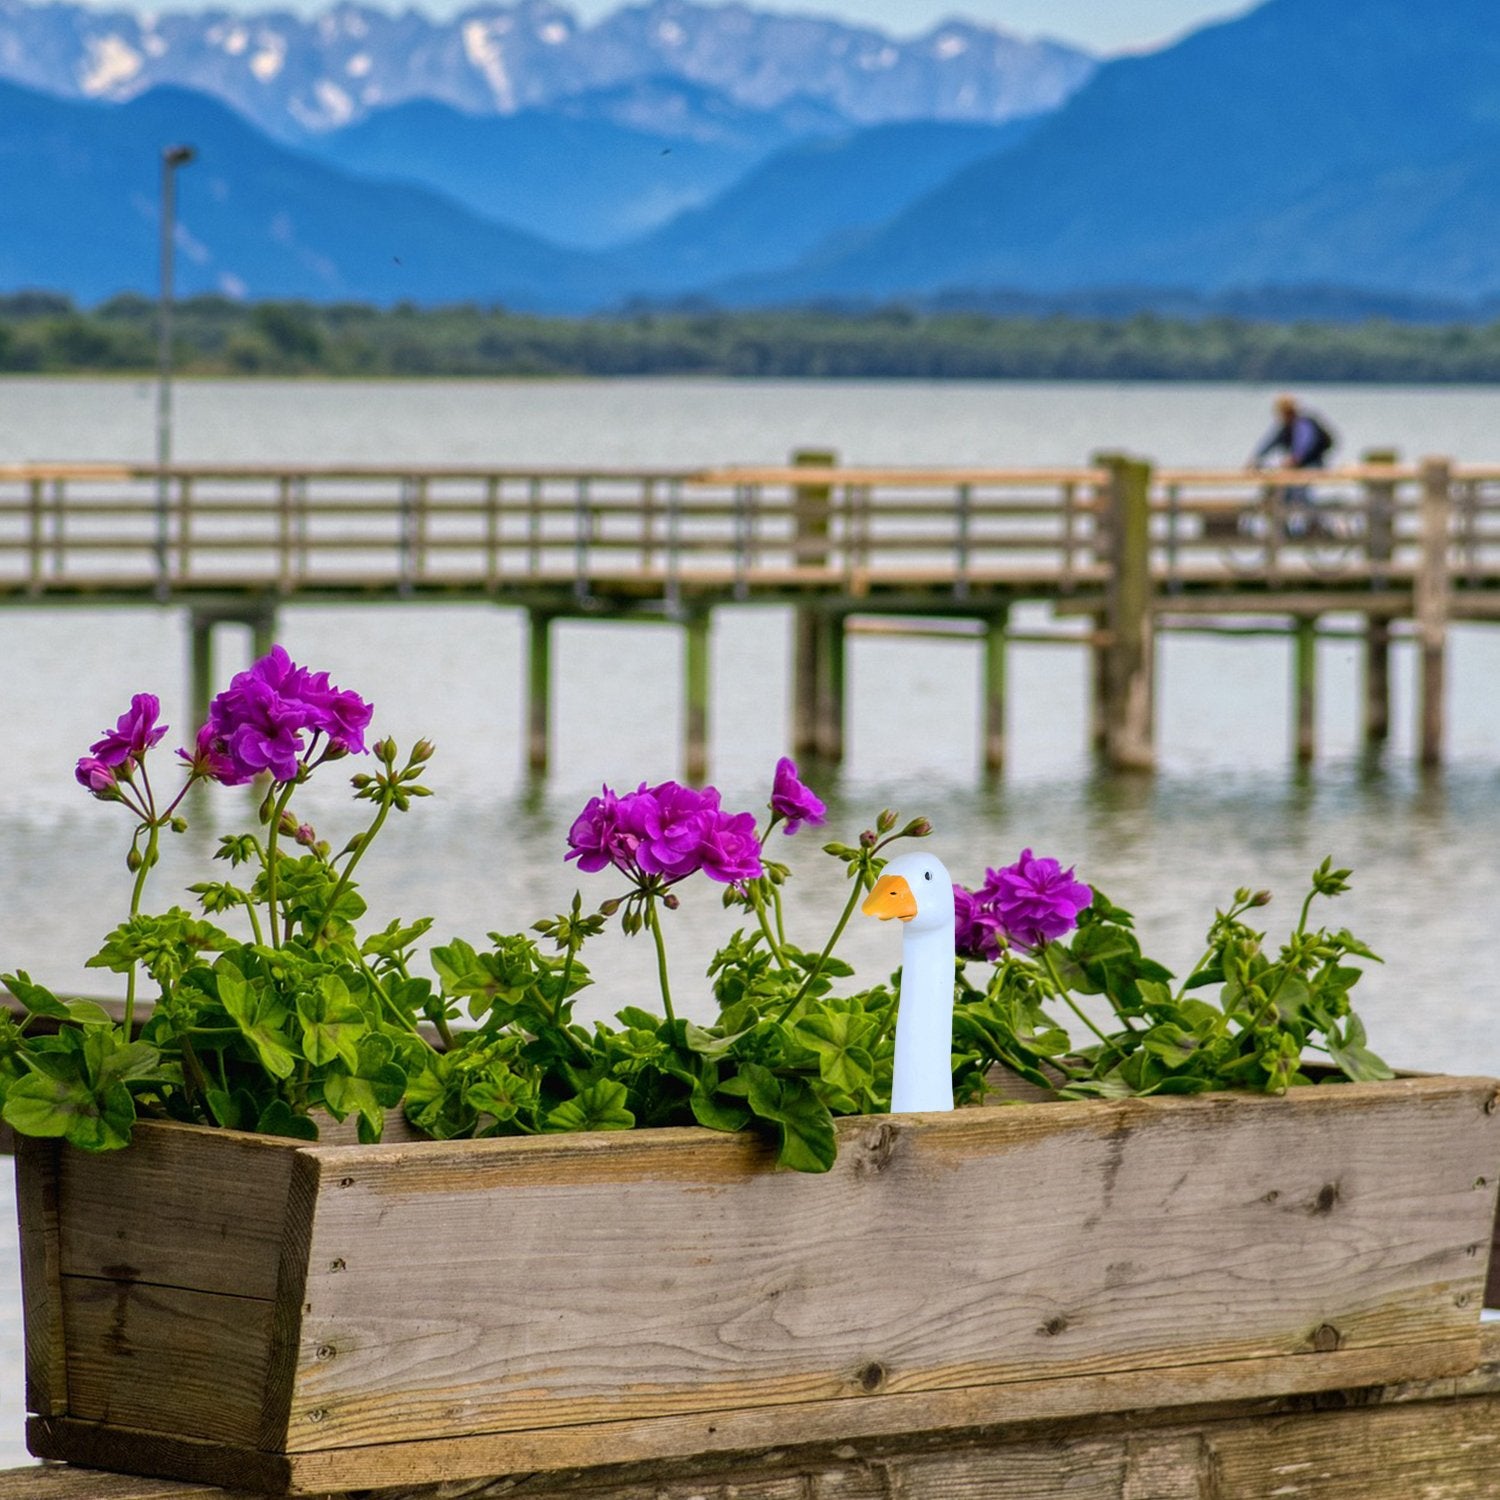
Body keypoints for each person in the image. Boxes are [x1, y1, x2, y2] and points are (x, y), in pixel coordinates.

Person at [1248, 395, 1338, 537]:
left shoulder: (1303, 424)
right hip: (1298, 467)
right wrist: (1255, 459)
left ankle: (1315, 524)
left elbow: (1303, 445)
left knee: (1299, 491)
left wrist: (1294, 459)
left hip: (1312, 465)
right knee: (1283, 491)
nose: (1282, 415)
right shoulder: (1284, 428)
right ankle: (1284, 527)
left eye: (1283, 411)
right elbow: (1268, 444)